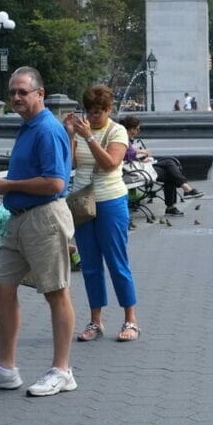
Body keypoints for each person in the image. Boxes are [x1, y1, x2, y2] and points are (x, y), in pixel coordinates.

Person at [0, 66, 76, 398]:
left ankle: (62, 370)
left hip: (44, 218)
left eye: (22, 92)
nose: (15, 97)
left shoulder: (47, 129)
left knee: (56, 292)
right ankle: (5, 369)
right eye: (12, 91)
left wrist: (7, 184)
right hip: (17, 216)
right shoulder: (28, 127)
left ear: (40, 94)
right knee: (1, 286)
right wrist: (3, 186)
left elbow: (56, 182)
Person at [63, 85, 140, 344]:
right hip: (83, 202)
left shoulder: (116, 130)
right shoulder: (82, 129)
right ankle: (95, 321)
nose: (93, 116)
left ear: (109, 110)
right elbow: (70, 163)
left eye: (98, 112)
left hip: (110, 200)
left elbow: (110, 163)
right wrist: (70, 134)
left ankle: (131, 319)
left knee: (117, 261)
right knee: (91, 265)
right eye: (90, 111)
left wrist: (89, 138)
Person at [119, 115, 205, 216]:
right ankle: (182, 194)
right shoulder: (122, 138)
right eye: (137, 129)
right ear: (131, 129)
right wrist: (141, 151)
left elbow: (129, 155)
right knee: (169, 169)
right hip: (135, 171)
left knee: (169, 164)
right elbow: (125, 154)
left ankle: (181, 194)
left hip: (139, 166)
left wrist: (142, 157)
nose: (138, 131)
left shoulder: (127, 139)